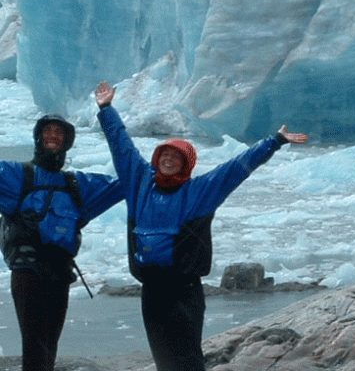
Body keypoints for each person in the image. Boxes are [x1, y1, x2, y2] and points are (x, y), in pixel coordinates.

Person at [94, 81, 308, 371]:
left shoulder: (199, 192)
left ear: (186, 166)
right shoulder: (139, 184)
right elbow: (121, 146)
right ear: (157, 160)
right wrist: (106, 109)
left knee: (186, 360)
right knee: (164, 360)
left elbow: (236, 168)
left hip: (184, 290)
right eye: (165, 155)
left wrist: (274, 142)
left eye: (177, 158)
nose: (169, 160)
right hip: (152, 290)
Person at [0, 114, 124, 371]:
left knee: (49, 345)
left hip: (59, 271)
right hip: (28, 270)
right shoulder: (17, 175)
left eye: (59, 132)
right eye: (48, 131)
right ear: (38, 137)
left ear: (67, 141)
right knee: (35, 345)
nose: (53, 136)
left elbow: (127, 181)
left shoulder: (76, 184)